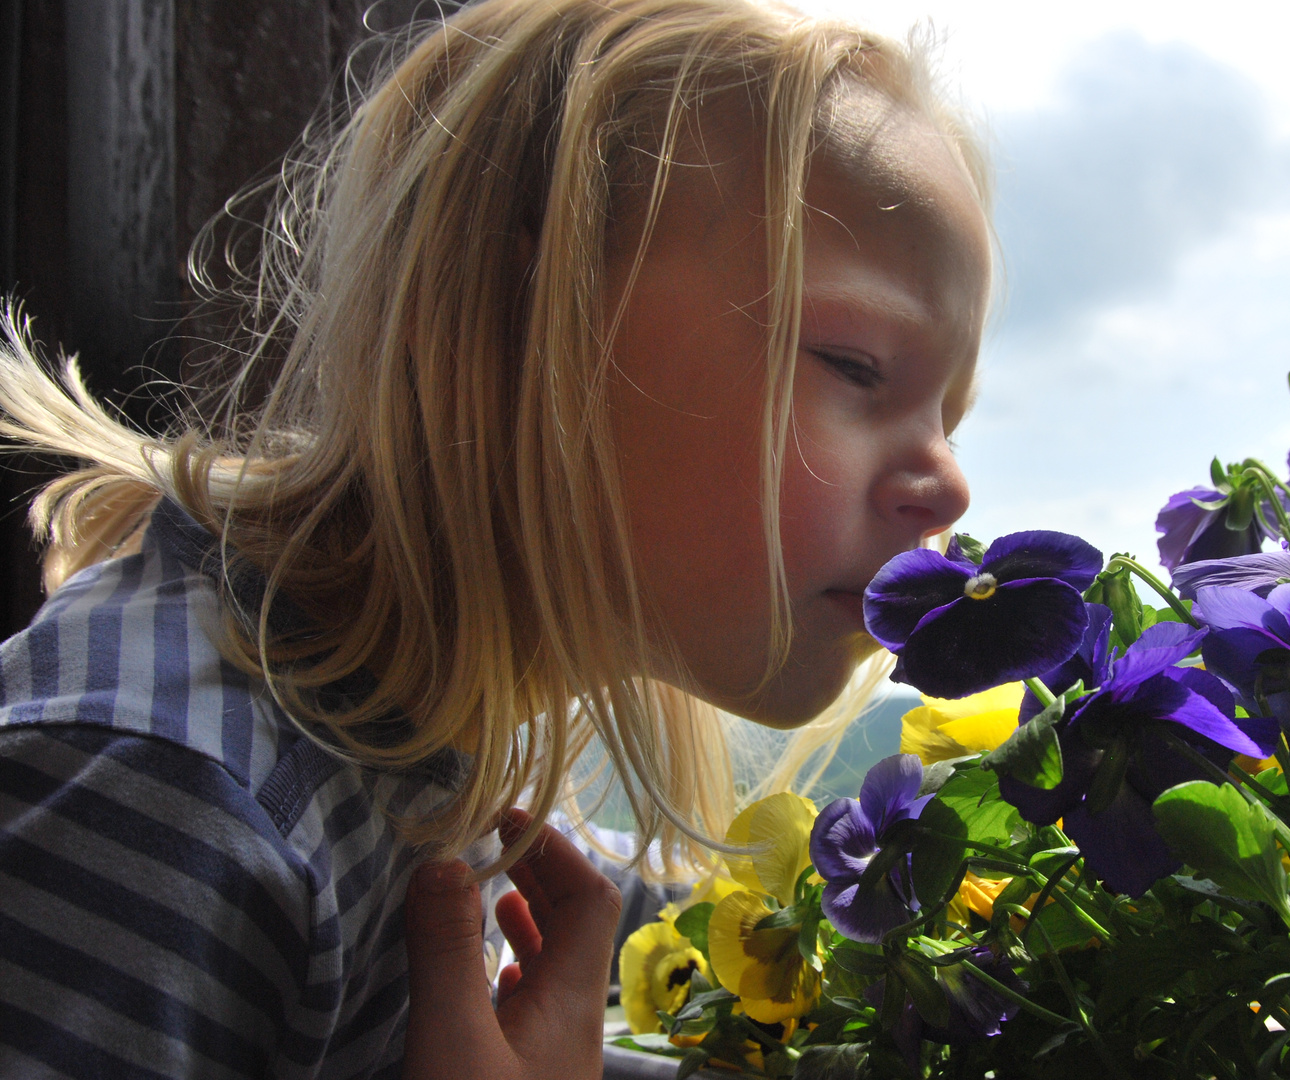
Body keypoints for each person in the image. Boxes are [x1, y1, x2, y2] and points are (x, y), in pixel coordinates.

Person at [0, 0, 989, 1076]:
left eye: (950, 413)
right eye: (853, 364)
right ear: (528, 314)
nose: (947, 484)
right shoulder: (165, 803)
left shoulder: (406, 757)